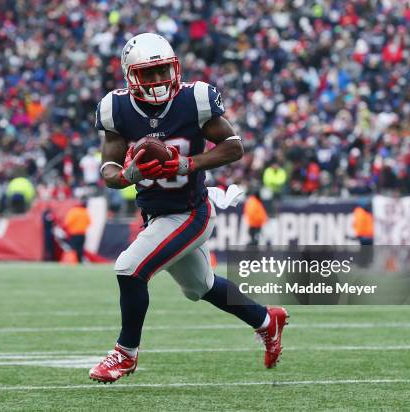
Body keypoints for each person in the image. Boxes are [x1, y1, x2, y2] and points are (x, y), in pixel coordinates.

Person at [91, 33, 288, 383]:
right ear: (131, 76)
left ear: (174, 67)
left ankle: (125, 354)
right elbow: (108, 171)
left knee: (129, 268)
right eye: (147, 74)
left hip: (191, 211)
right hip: (155, 213)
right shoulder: (115, 108)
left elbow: (233, 146)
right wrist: (127, 174)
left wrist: (188, 164)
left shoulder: (194, 99)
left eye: (161, 71)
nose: (156, 80)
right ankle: (265, 320)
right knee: (201, 287)